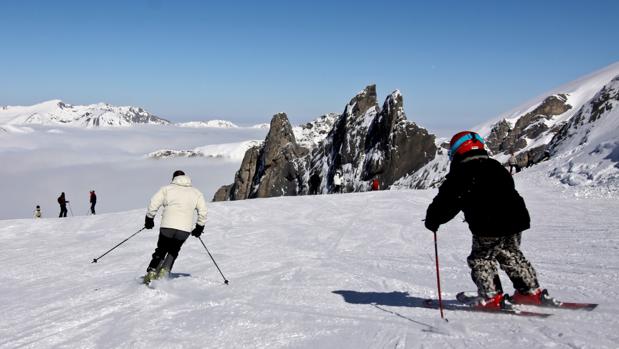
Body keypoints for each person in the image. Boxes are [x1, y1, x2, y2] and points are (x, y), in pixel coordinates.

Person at [424, 131, 555, 309]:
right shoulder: (495, 166)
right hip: (515, 219)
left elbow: (447, 201)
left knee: (481, 258)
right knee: (510, 253)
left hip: (488, 224)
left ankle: (491, 296)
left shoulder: (462, 172)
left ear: (457, 151)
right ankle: (530, 291)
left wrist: (433, 220)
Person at [143, 170, 208, 283]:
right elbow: (203, 211)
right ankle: (164, 272)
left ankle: (152, 272)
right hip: (184, 229)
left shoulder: (167, 189)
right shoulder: (196, 192)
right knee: (174, 250)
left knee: (161, 249)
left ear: (173, 178)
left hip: (167, 226)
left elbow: (154, 203)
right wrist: (199, 227)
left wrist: (149, 219)